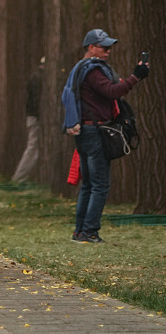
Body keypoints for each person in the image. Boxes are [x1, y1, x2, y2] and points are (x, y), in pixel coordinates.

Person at [62, 28, 149, 244]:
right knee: (100, 185)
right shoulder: (93, 71)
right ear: (91, 47)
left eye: (110, 47)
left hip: (84, 131)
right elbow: (112, 92)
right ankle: (89, 232)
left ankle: (80, 231)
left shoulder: (80, 68)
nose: (108, 51)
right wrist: (135, 77)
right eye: (104, 47)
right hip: (94, 132)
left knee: (89, 184)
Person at [11, 58, 44, 183]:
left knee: (33, 149)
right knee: (32, 149)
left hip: (34, 117)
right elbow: (36, 101)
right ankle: (19, 178)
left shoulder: (36, 76)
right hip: (35, 118)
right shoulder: (37, 78)